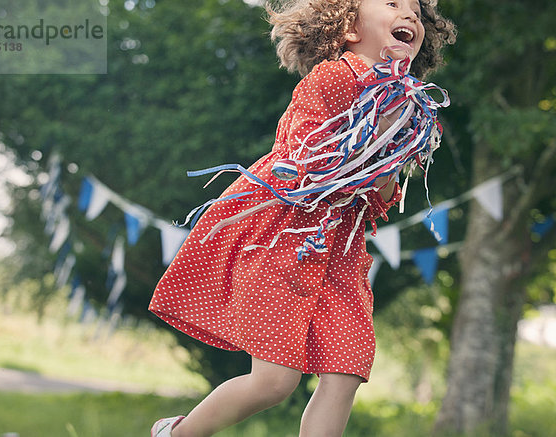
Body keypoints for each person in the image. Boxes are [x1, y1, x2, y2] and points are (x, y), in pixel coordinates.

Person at [149, 1, 456, 436]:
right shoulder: (335, 76)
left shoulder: (406, 103)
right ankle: (178, 433)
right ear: (349, 27)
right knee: (274, 382)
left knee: (345, 371)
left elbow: (381, 195)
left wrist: (390, 148)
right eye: (391, 3)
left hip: (342, 256)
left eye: (415, 11)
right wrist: (371, 132)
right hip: (287, 241)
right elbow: (301, 155)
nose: (409, 14)